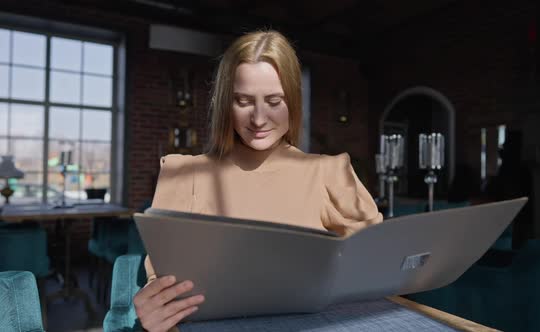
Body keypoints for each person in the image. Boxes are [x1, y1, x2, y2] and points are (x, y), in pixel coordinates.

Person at [132, 30, 383, 332]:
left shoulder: (330, 172)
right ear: (226, 103)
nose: (259, 119)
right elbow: (163, 285)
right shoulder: (184, 174)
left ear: (293, 101)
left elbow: (376, 269)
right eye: (243, 101)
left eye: (274, 100)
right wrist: (152, 314)